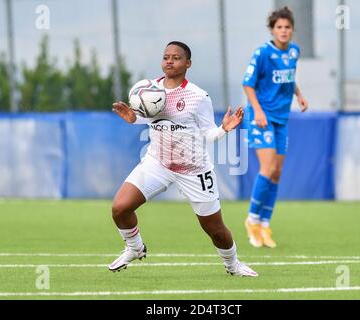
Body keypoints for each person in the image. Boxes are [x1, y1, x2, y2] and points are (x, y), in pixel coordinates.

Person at [109, 41, 258, 277]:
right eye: (166, 56)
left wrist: (224, 128)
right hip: (157, 162)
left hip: (193, 169)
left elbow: (208, 134)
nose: (169, 61)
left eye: (176, 57)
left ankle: (233, 265)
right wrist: (132, 118)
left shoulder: (198, 96)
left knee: (214, 229)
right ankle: (135, 248)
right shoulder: (148, 89)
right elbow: (148, 118)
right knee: (120, 208)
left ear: (187, 63)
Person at [242, 7, 309, 248]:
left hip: (282, 117)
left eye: (287, 27)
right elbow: (248, 84)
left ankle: (264, 224)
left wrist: (299, 95)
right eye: (279, 27)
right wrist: (258, 111)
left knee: (277, 173)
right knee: (267, 167)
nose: (283, 31)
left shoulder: (294, 51)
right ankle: (251, 219)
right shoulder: (262, 53)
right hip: (262, 117)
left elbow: (289, 78)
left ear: (292, 30)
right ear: (272, 30)